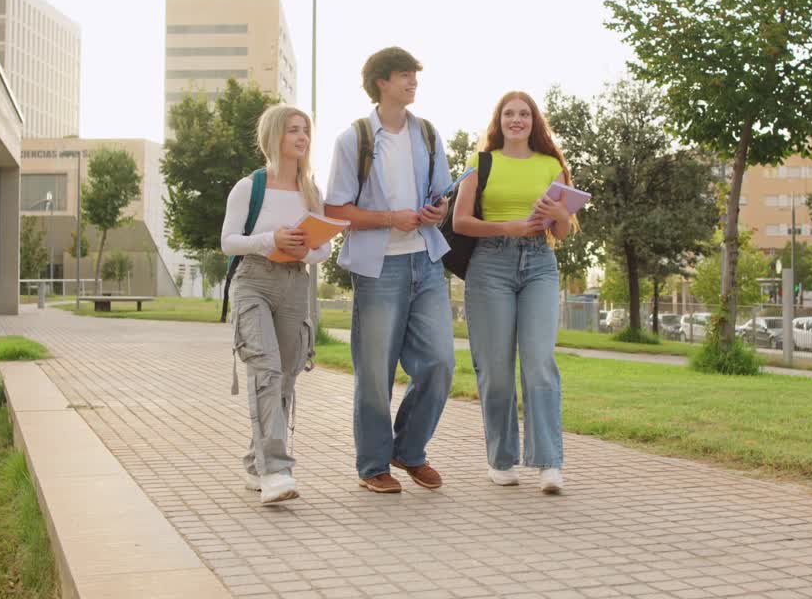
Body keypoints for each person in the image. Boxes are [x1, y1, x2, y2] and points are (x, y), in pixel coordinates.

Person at [324, 47, 455, 494]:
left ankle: (409, 450)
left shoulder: (429, 134)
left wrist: (438, 210)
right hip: (378, 268)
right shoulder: (355, 139)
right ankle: (374, 465)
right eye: (404, 75)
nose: (413, 82)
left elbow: (442, 196)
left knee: (440, 362)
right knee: (375, 373)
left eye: (414, 75)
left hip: (426, 261)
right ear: (382, 82)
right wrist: (389, 219)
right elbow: (336, 210)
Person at [453, 91, 576, 494]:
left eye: (524, 113)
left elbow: (562, 231)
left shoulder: (551, 165)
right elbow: (460, 222)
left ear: (534, 121)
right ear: (499, 120)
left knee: (539, 362)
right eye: (509, 113)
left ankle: (549, 463)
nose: (517, 119)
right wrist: (507, 227)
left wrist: (560, 216)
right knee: (496, 370)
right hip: (490, 266)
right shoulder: (481, 162)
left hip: (539, 263)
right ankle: (501, 459)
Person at [221, 104, 331, 505]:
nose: (302, 137)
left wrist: (306, 249)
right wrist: (272, 240)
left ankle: (257, 464)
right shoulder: (249, 187)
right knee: (265, 371)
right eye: (292, 130)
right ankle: (276, 473)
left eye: (305, 130)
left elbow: (323, 250)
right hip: (254, 280)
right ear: (274, 136)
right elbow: (228, 242)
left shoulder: (311, 191)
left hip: (295, 282)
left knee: (284, 377)